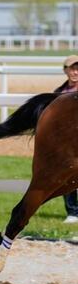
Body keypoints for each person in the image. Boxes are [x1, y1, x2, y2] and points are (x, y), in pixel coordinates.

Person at [55, 54, 78, 223]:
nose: (76, 72)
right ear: (65, 71)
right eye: (72, 68)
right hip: (66, 143)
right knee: (67, 176)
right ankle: (72, 212)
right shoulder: (58, 93)